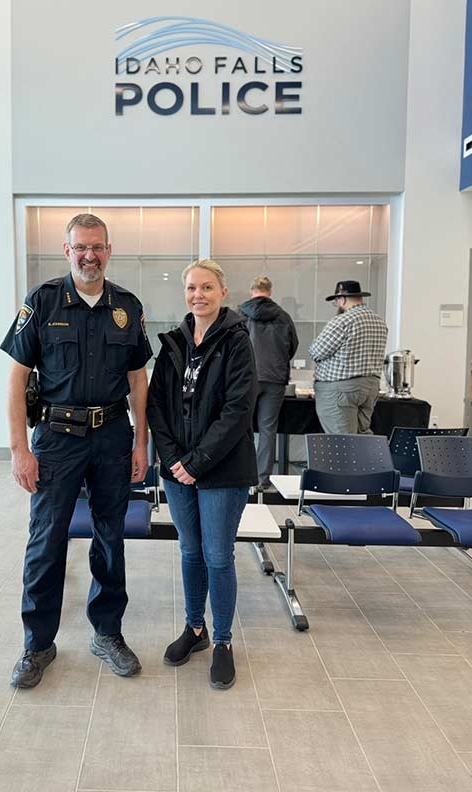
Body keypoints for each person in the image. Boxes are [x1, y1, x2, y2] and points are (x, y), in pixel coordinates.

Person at [0, 213, 152, 688]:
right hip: (56, 439)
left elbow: (136, 380)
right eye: (80, 247)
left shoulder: (127, 306)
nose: (89, 255)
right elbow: (17, 378)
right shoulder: (43, 302)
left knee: (110, 536)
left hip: (111, 436)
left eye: (97, 247)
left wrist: (140, 440)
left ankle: (107, 633)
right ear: (66, 251)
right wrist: (18, 449)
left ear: (110, 250)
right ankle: (37, 645)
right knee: (47, 539)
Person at [147, 259, 257, 689]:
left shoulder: (236, 341)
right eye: (192, 288)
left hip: (223, 471)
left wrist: (196, 463)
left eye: (207, 287)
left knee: (217, 555)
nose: (199, 295)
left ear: (223, 293)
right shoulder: (174, 341)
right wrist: (175, 459)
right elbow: (156, 404)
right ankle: (196, 631)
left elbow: (237, 411)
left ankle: (224, 642)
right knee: (190, 552)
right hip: (178, 470)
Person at [238, 275, 298, 490]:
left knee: (241, 426)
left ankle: (242, 477)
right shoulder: (284, 316)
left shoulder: (240, 314)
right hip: (275, 379)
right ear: (270, 292)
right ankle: (262, 479)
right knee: (267, 429)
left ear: (251, 291)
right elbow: (293, 346)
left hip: (246, 378)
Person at [309, 280, 388, 434]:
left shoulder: (342, 321)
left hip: (340, 389)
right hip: (370, 386)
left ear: (342, 299)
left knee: (342, 443)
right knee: (362, 439)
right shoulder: (378, 321)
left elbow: (316, 352)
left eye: (336, 301)